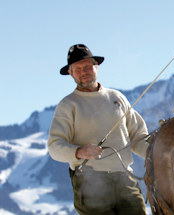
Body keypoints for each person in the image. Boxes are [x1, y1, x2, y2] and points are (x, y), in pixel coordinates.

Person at [48, 44, 148, 214]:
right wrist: (80, 152)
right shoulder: (68, 105)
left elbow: (138, 137)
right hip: (89, 182)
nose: (84, 72)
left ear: (96, 67)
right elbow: (54, 147)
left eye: (87, 66)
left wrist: (158, 154)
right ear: (71, 73)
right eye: (78, 69)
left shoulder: (116, 97)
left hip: (125, 179)